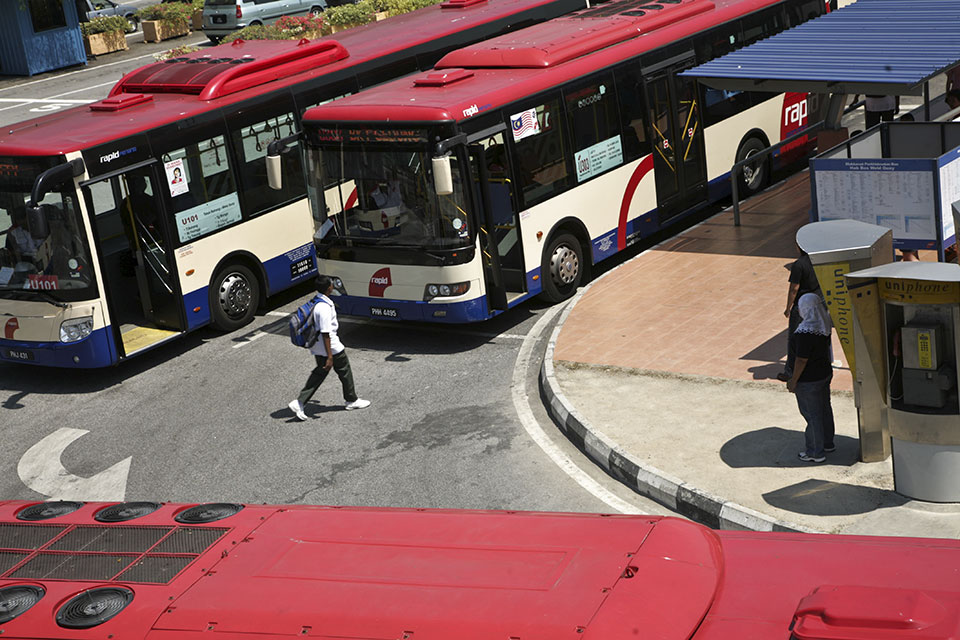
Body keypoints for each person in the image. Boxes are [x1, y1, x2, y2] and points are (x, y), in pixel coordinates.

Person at [289, 275, 370, 420]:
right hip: (331, 347)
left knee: (319, 373)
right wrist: (330, 356)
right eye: (332, 284)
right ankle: (351, 400)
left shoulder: (316, 301)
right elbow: (326, 333)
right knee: (344, 370)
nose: (333, 286)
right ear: (329, 289)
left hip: (318, 346)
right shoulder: (324, 307)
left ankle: (300, 402)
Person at [787, 293, 836, 463]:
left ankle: (815, 451)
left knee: (812, 415)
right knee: (824, 409)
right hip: (824, 374)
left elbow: (801, 359)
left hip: (808, 380)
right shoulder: (824, 326)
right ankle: (828, 442)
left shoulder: (804, 333)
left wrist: (793, 380)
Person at [778, 247, 821, 382]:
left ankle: (790, 371)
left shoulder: (798, 265)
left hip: (802, 305)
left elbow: (794, 288)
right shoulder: (819, 260)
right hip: (816, 303)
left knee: (794, 339)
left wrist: (788, 307)